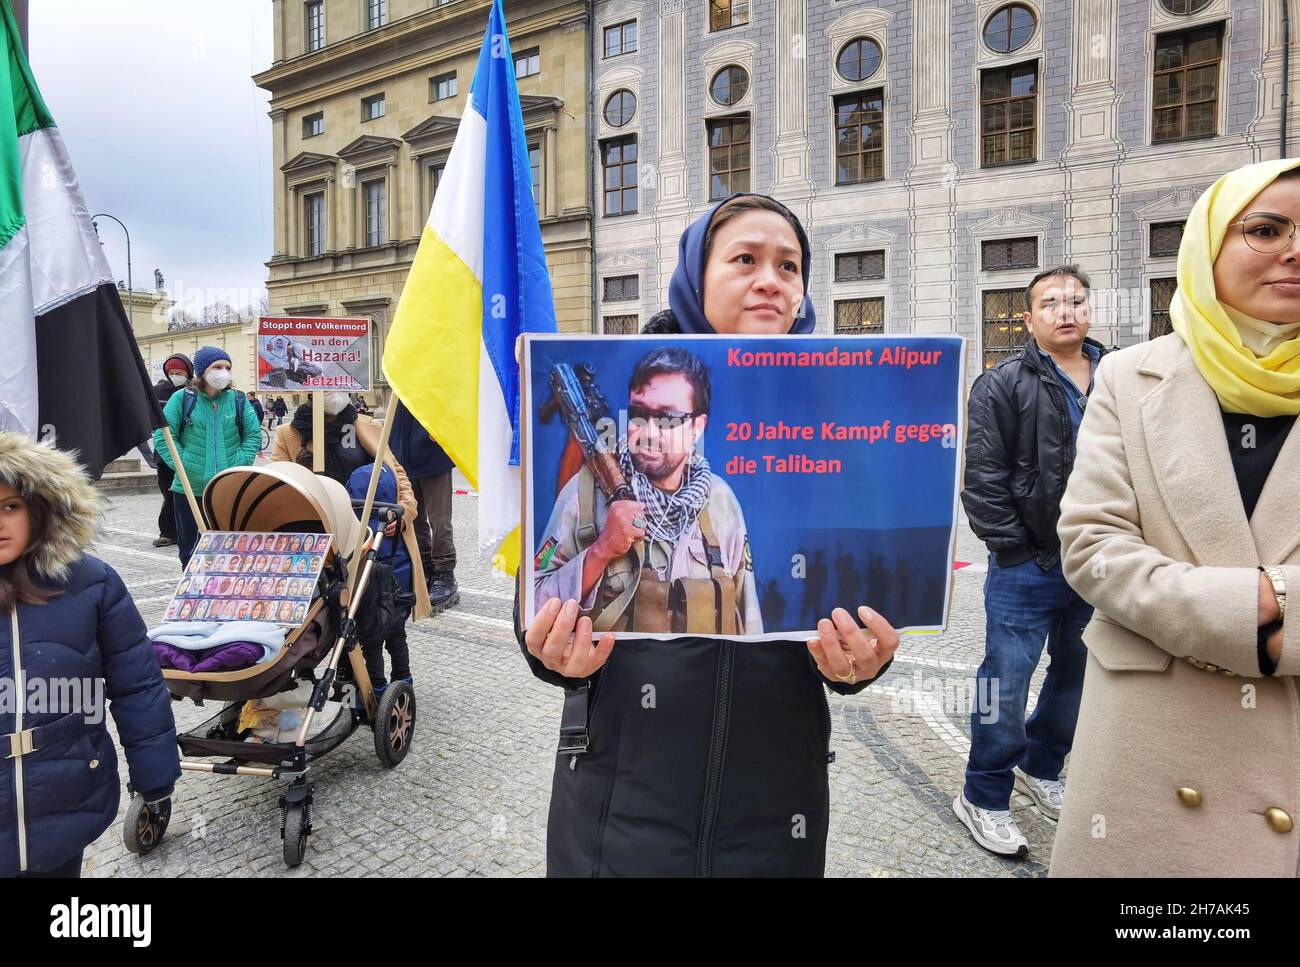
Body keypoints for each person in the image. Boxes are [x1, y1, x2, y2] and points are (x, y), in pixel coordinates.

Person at [517, 193, 900, 876]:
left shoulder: (745, 482)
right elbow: (539, 607)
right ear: (698, 275)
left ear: (699, 427)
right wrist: (596, 564)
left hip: (775, 801)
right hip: (622, 795)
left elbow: (776, 613)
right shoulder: (590, 482)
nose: (770, 279)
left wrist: (854, 661)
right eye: (745, 259)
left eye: (789, 265)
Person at [1051, 159, 1300, 877]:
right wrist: (1259, 603)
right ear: (1208, 246)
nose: (1293, 247)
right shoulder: (1132, 377)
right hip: (1152, 741)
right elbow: (1094, 545)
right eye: (1265, 228)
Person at [954, 265, 1106, 857]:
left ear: (1090, 309)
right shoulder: (1001, 384)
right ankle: (984, 794)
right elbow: (984, 480)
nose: (1064, 311)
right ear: (1028, 318)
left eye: (1075, 301)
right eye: (1050, 303)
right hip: (1028, 566)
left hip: (1099, 563)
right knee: (1004, 683)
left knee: (1077, 677)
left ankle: (1043, 768)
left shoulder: (1119, 375)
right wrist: (1017, 549)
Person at [0, 432, 180, 877]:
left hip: (66, 794)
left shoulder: (92, 583)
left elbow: (136, 683)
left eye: (10, 506)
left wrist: (155, 773)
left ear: (39, 504)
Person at [534, 346, 760, 635]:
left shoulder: (720, 501)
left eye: (668, 418)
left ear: (697, 428)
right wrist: (601, 550)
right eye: (639, 413)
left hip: (707, 677)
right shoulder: (584, 495)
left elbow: (751, 621)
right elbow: (536, 605)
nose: (649, 432)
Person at [270, 392, 431, 620]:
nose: (334, 394)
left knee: (378, 622)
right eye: (326, 388)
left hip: (367, 538)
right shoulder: (289, 434)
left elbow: (399, 478)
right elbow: (276, 488)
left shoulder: (368, 426)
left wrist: (402, 514)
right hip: (321, 542)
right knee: (331, 622)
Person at [153, 347, 261, 569]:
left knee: (229, 551)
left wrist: (240, 462)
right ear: (202, 371)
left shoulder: (238, 400)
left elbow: (253, 435)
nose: (224, 372)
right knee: (191, 552)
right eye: (217, 367)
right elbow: (164, 436)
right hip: (190, 491)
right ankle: (192, 597)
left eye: (227, 368)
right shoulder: (182, 399)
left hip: (229, 490)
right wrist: (183, 465)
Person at [390, 400, 459, 613]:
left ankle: (445, 574)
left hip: (433, 450)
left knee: (439, 519)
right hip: (403, 450)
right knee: (414, 518)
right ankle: (425, 571)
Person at [150, 354, 193, 547]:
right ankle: (168, 532)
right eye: (172, 373)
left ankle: (192, 530)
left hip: (191, 451)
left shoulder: (194, 392)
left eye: (180, 372)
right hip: (164, 454)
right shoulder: (158, 391)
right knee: (169, 493)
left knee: (189, 495)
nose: (175, 376)